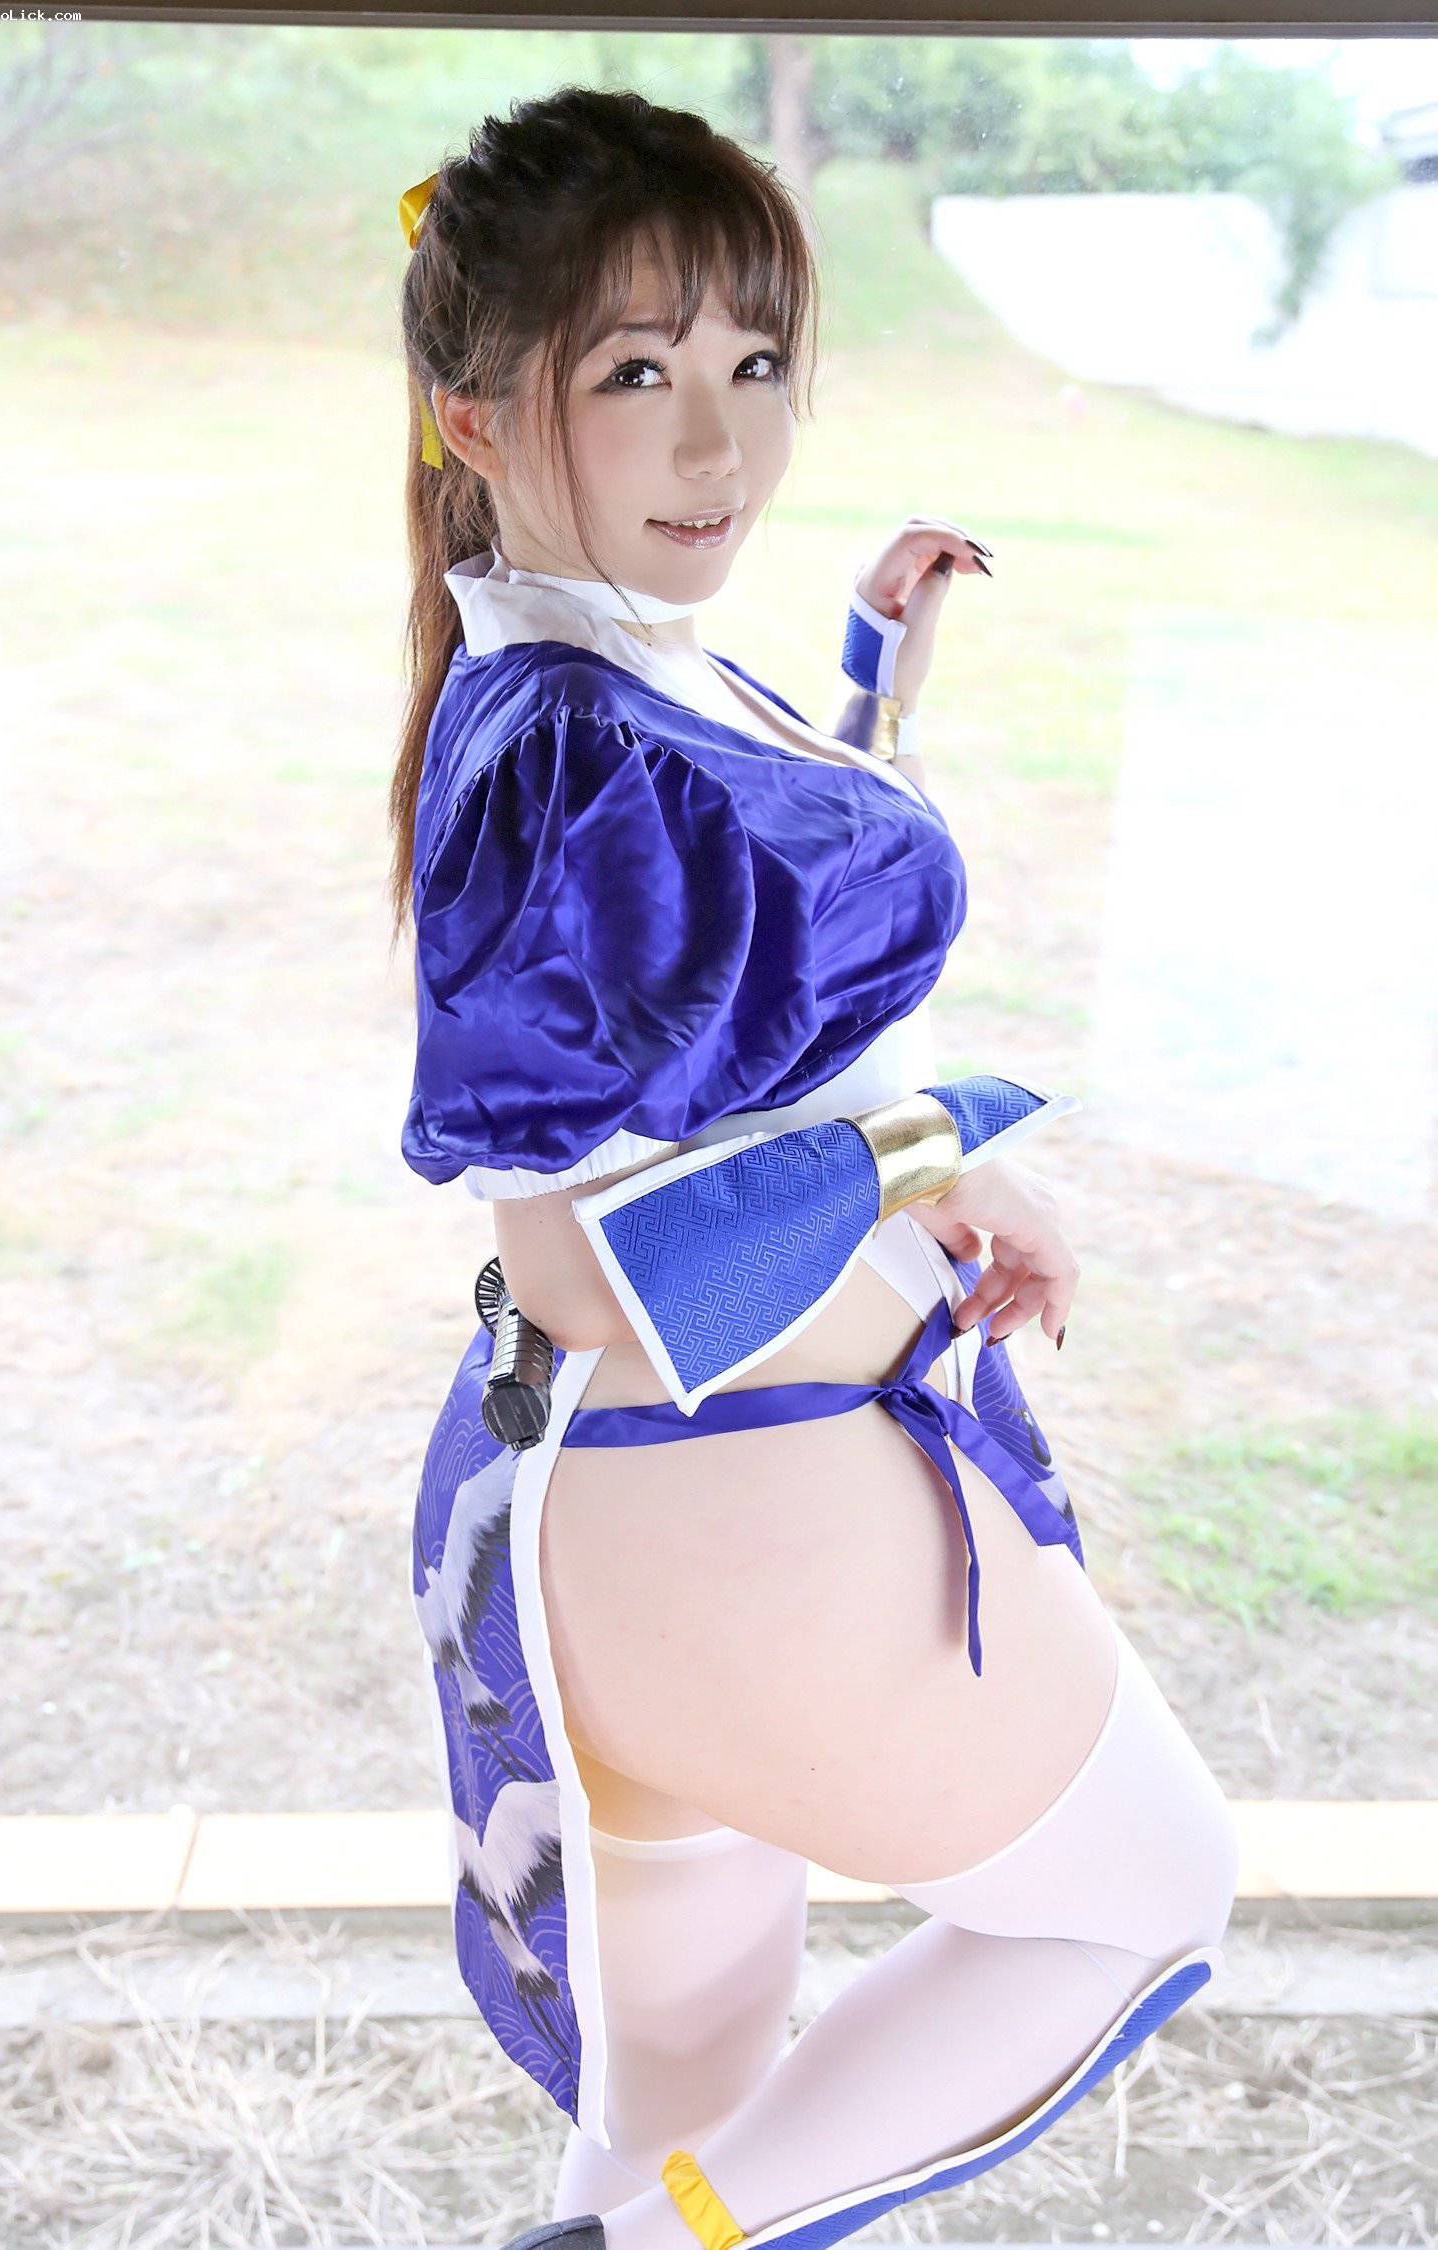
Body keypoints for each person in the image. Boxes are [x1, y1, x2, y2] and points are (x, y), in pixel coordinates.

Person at [392, 84, 1239, 2250]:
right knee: (1140, 1894)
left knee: (685, 2109)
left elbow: (756, 978)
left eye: (756, 362)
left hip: (652, 1528)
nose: (722, 444)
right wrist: (937, 1144)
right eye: (634, 374)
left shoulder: (596, 665)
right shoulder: (567, 745)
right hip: (739, 1498)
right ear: (476, 416)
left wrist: (874, 683)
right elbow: (580, 1267)